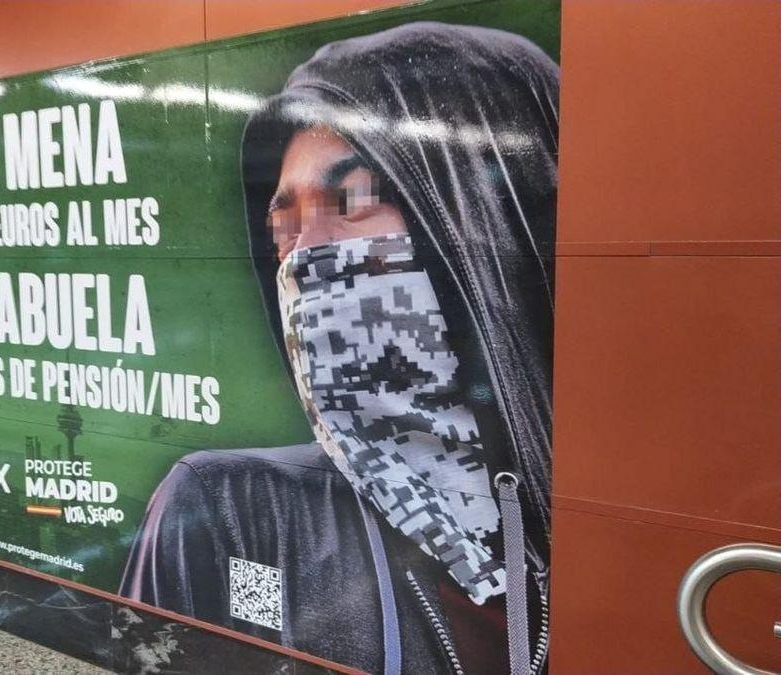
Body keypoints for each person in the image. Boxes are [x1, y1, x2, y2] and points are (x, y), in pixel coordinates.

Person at [121, 22, 557, 674]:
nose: (306, 254)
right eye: (283, 224)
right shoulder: (233, 511)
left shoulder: (605, 507)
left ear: (485, 219)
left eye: (353, 200)